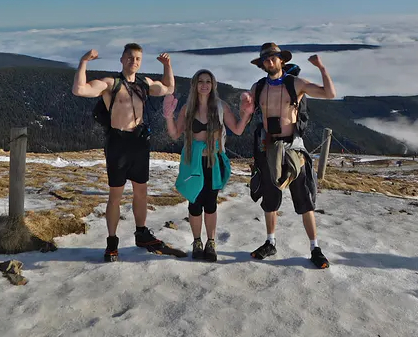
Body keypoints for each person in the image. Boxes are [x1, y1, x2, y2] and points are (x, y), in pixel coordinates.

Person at [72, 43, 175, 262]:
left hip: (139, 143)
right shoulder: (111, 84)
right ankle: (112, 242)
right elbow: (79, 89)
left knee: (141, 192)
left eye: (137, 58)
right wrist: (83, 62)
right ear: (121, 59)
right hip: (118, 143)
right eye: (129, 58)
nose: (133, 62)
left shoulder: (143, 83)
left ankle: (141, 233)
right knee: (115, 196)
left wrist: (168, 66)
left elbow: (168, 88)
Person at [240, 42, 336, 268]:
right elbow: (247, 111)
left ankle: (315, 248)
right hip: (268, 148)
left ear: (281, 59)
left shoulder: (295, 84)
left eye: (273, 57)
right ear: (262, 64)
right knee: (270, 200)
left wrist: (322, 68)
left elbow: (329, 94)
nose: (270, 61)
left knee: (304, 200)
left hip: (293, 149)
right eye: (266, 59)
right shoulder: (259, 87)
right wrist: (243, 103)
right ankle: (270, 242)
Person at [163, 69, 253, 262]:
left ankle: (210, 242)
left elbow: (237, 129)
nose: (204, 85)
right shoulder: (188, 108)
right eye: (201, 81)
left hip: (213, 160)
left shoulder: (221, 107)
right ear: (194, 85)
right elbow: (174, 134)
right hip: (193, 161)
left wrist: (246, 114)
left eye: (208, 82)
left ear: (213, 85)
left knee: (210, 203)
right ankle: (197, 242)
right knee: (195, 202)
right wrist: (168, 116)